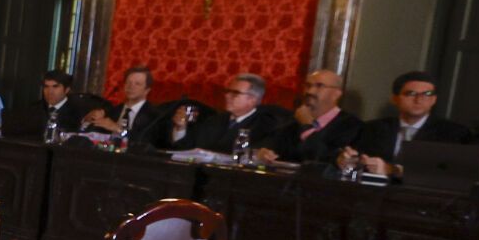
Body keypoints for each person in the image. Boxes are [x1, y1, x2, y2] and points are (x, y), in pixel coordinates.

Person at [352, 70, 473, 176]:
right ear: (395, 99)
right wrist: (347, 159)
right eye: (411, 94)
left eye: (427, 94)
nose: (419, 100)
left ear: (434, 100)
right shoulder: (372, 128)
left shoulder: (454, 133)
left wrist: (392, 170)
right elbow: (357, 161)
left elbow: (448, 173)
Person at [154, 72, 290, 154]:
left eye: (235, 93)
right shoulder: (214, 120)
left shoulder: (265, 124)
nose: (227, 96)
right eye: (227, 91)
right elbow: (187, 148)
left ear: (252, 100)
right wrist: (180, 128)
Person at [259, 69, 361, 164]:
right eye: (308, 85)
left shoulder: (351, 125)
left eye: (319, 86)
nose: (310, 91)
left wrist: (307, 127)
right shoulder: (292, 121)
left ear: (336, 94)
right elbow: (272, 149)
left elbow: (324, 159)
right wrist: (263, 154)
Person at [81, 66, 160, 144]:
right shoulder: (113, 111)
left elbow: (145, 142)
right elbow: (87, 134)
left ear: (147, 90)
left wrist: (120, 130)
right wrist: (87, 120)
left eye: (137, 84)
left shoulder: (154, 115)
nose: (131, 87)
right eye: (128, 82)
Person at [3, 70, 86, 137]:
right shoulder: (34, 109)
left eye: (55, 86)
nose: (50, 91)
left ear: (67, 90)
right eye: (46, 87)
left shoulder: (77, 111)